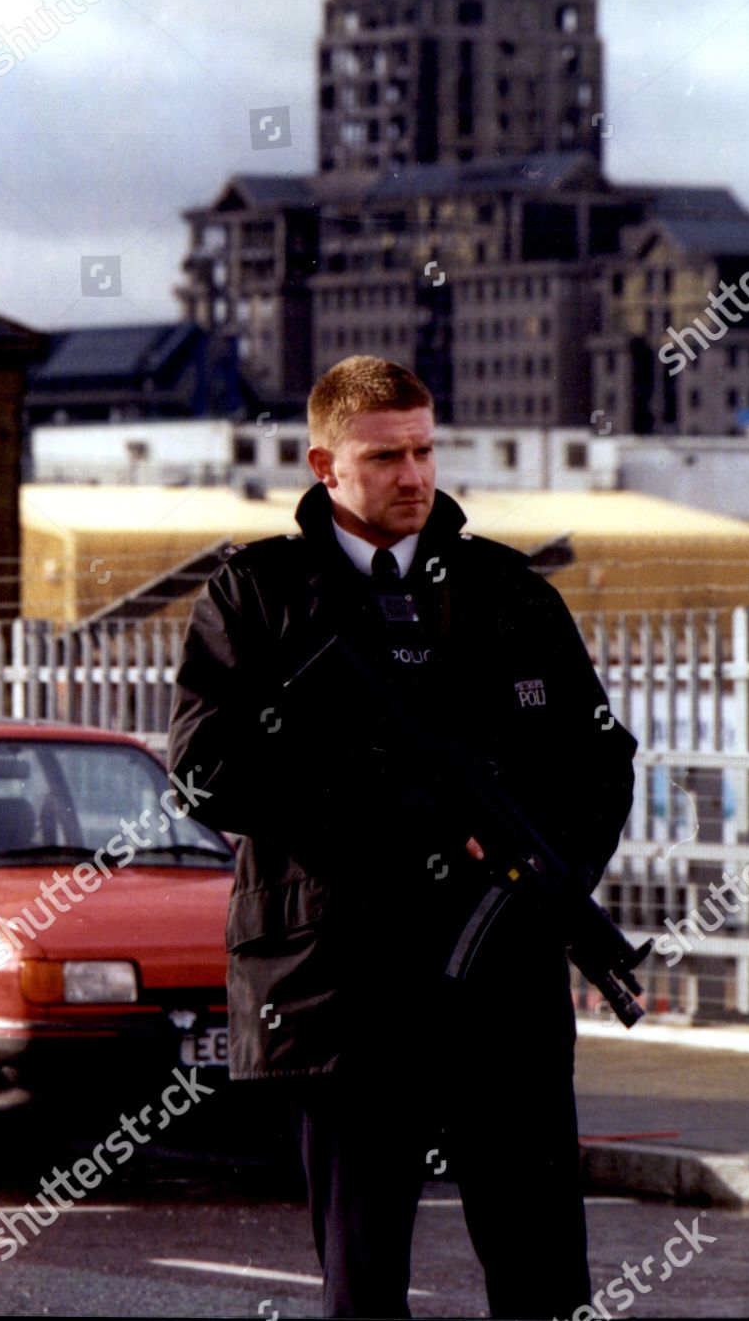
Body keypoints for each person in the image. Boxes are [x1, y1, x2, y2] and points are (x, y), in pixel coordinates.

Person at [168, 355, 637, 1320]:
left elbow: (600, 764)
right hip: (346, 988)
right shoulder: (258, 598)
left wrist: (541, 873)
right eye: (385, 456)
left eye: (425, 450)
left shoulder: (509, 595)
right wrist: (397, 810)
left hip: (502, 979)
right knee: (365, 1279)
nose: (415, 476)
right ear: (323, 465)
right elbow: (207, 771)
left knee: (545, 1275)